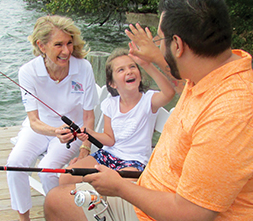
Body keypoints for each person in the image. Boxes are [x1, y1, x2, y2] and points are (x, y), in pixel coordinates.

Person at [44, 0, 253, 221]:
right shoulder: (211, 71)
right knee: (56, 202)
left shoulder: (232, 113)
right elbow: (178, 80)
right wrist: (153, 57)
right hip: (153, 205)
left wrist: (119, 187)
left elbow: (191, 218)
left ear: (178, 44)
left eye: (161, 39)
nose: (159, 45)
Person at [7, 15, 98, 221]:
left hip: (74, 130)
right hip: (41, 128)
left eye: (69, 43)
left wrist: (83, 150)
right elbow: (34, 121)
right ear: (41, 45)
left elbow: (89, 118)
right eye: (58, 44)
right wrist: (53, 132)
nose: (66, 50)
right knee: (14, 164)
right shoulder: (28, 71)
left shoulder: (84, 68)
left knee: (47, 168)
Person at [59, 47, 175, 185]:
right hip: (106, 156)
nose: (129, 71)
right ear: (112, 83)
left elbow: (169, 92)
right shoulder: (110, 104)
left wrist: (146, 64)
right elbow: (110, 140)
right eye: (121, 70)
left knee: (110, 185)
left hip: (134, 163)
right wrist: (90, 133)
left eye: (132, 66)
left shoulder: (149, 101)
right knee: (65, 177)